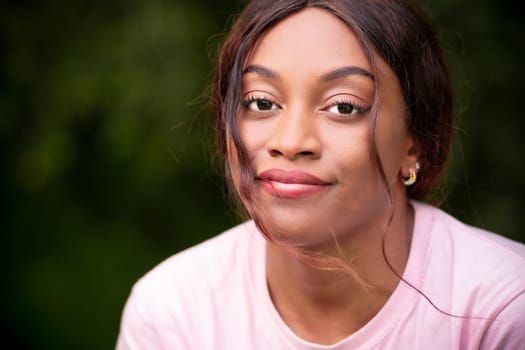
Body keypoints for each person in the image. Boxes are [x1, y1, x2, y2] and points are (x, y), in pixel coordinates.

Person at [116, 0, 525, 349]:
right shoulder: (173, 313)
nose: (291, 141)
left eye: (344, 106)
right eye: (260, 102)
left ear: (414, 140)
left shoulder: (503, 310)